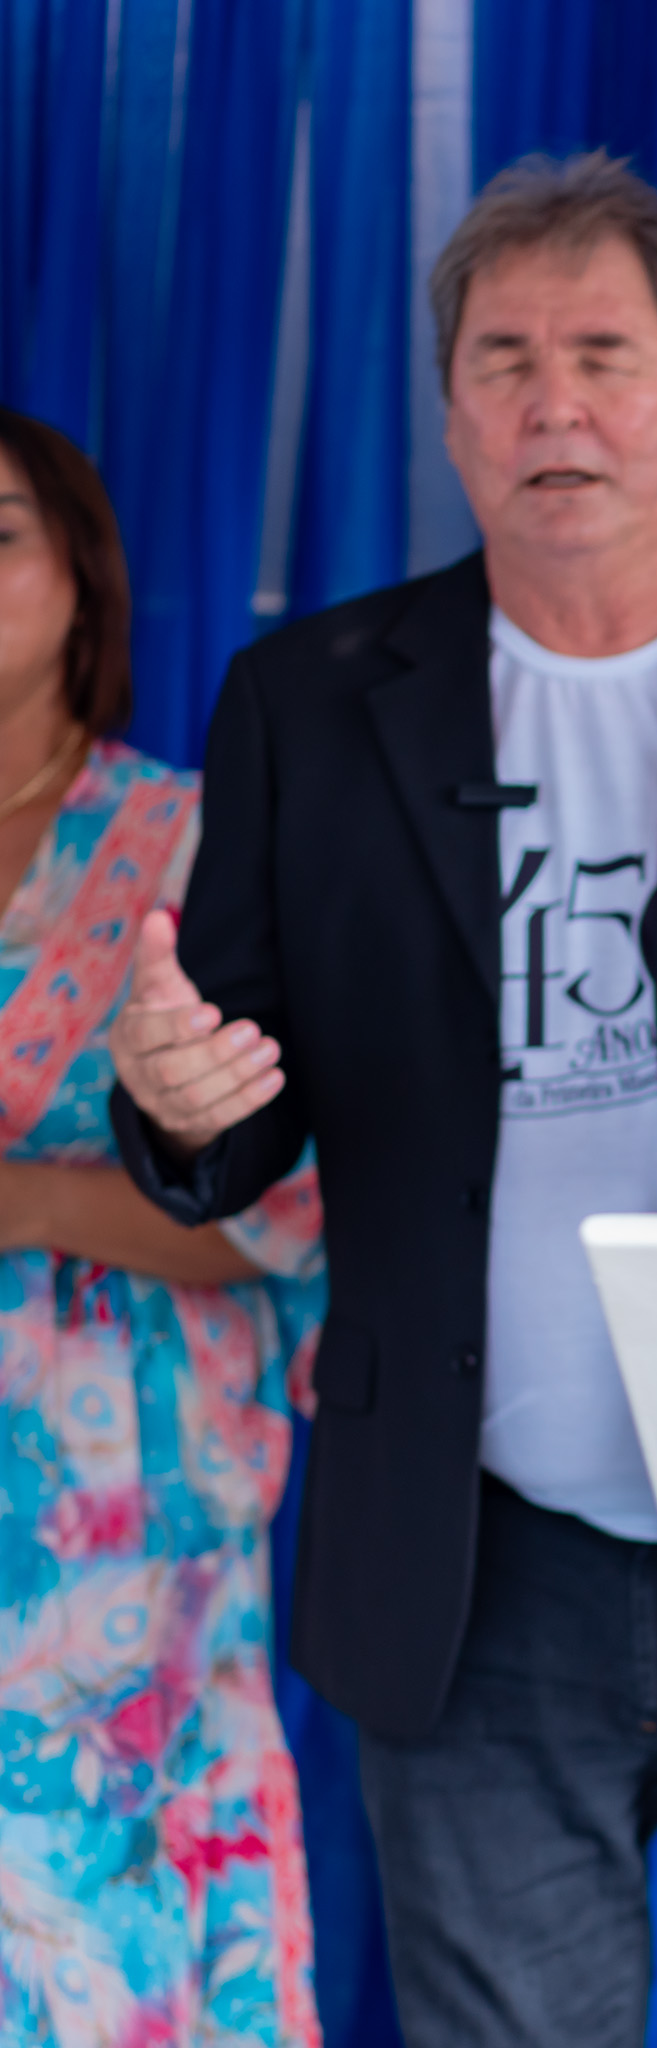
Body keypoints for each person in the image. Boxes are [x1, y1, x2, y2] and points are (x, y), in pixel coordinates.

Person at [106, 153, 657, 2046]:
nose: (553, 404)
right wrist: (175, 1101)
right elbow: (232, 1112)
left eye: (602, 355)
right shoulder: (309, 698)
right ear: (449, 415)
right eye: (502, 361)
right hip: (471, 1543)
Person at [0, 408, 327, 2045]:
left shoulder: (191, 840)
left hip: (124, 1539)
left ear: (84, 575)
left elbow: (290, 1211)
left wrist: (19, 1200)